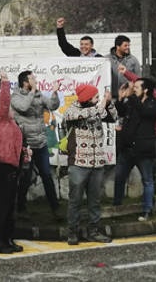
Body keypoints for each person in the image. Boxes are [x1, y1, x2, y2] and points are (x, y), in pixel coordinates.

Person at [63, 84, 117, 245]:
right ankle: (72, 232)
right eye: (95, 97)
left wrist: (109, 103)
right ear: (86, 99)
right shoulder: (73, 109)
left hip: (97, 163)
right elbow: (71, 116)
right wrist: (99, 107)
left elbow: (113, 117)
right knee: (75, 201)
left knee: (95, 201)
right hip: (79, 163)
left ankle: (93, 231)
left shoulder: (98, 108)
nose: (97, 99)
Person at [118, 64, 156, 203]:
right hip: (140, 138)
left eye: (137, 87)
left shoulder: (152, 99)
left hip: (155, 133)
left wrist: (126, 73)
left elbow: (140, 81)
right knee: (151, 164)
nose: (134, 88)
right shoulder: (136, 101)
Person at [11, 71, 62, 217]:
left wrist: (54, 92)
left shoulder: (39, 95)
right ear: (25, 82)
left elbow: (52, 106)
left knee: (46, 175)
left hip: (41, 143)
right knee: (25, 177)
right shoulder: (16, 96)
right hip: (26, 145)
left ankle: (55, 207)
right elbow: (23, 107)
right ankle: (20, 207)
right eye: (32, 78)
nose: (35, 80)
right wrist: (32, 91)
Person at [0, 72, 24, 254]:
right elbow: (5, 101)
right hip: (2, 168)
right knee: (3, 207)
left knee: (10, 208)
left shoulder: (12, 124)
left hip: (13, 168)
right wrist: (5, 83)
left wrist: (24, 153)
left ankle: (8, 239)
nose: (10, 108)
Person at [113, 78, 156, 221]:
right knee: (119, 177)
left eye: (137, 87)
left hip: (143, 150)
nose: (134, 89)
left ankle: (147, 210)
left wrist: (131, 96)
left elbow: (144, 112)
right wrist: (120, 99)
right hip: (127, 149)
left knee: (147, 180)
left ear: (146, 90)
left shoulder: (153, 104)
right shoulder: (133, 102)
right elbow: (121, 112)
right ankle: (117, 207)